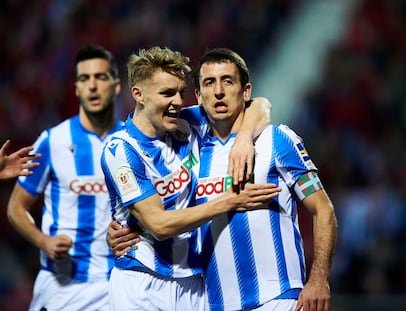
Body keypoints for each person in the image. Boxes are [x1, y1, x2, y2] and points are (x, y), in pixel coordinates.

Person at [100, 46, 280, 311]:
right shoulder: (121, 150)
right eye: (167, 93)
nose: (177, 102)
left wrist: (243, 138)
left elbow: (260, 105)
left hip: (192, 282)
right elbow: (159, 226)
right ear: (138, 94)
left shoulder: (186, 123)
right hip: (141, 280)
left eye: (180, 92)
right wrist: (228, 202)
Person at [190, 48, 338, 311]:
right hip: (215, 303)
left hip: (279, 299)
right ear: (198, 97)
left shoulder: (277, 140)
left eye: (228, 81)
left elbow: (323, 209)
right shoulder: (190, 155)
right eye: (209, 83)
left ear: (246, 92)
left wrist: (318, 279)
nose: (219, 91)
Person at [7, 44, 126, 311]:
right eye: (85, 79)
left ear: (116, 86)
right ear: (76, 89)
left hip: (117, 286)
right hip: (62, 287)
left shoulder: (132, 143)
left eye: (100, 77)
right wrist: (43, 241)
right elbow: (16, 207)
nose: (92, 86)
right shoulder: (53, 141)